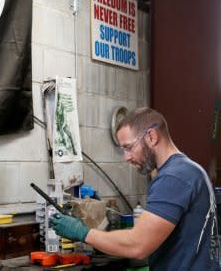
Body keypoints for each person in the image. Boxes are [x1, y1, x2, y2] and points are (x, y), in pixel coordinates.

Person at [50, 107, 221, 270]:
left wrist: (82, 232)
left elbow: (138, 245)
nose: (126, 157)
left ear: (151, 136)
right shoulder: (192, 170)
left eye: (129, 147)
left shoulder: (174, 177)